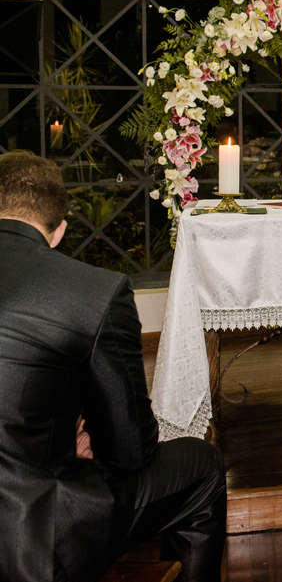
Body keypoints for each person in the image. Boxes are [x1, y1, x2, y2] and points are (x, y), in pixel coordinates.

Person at [0, 151, 226, 582]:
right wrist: (86, 439)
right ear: (59, 232)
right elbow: (129, 453)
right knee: (201, 463)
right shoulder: (93, 292)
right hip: (27, 543)